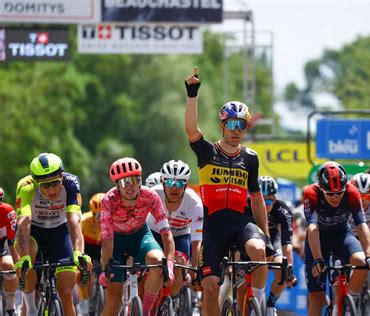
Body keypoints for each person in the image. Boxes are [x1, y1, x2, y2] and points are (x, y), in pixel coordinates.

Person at [184, 66, 272, 315]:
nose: (236, 130)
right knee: (211, 287)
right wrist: (192, 96)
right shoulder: (208, 152)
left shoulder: (251, 158)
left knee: (258, 250)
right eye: (232, 124)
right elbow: (191, 131)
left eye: (242, 125)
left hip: (241, 222)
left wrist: (265, 235)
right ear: (222, 125)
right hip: (214, 227)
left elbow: (256, 199)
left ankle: (257, 302)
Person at [15, 153, 91, 316]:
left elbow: (74, 219)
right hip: (34, 232)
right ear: (36, 182)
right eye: (45, 185)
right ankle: (30, 309)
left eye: (55, 182)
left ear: (62, 176)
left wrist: (79, 251)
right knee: (28, 257)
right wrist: (24, 257)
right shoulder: (26, 186)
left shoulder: (71, 183)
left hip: (60, 233)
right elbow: (24, 222)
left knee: (66, 293)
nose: (52, 189)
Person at [99, 157, 175, 316]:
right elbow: (107, 241)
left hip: (141, 236)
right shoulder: (108, 200)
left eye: (133, 180)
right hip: (116, 242)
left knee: (158, 264)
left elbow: (166, 233)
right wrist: (106, 269)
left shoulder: (150, 196)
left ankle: (145, 312)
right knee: (113, 301)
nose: (129, 186)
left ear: (140, 180)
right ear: (116, 186)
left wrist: (169, 264)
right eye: (123, 182)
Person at [304, 161, 370, 315]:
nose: (336, 197)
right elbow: (313, 228)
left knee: (362, 262)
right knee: (317, 298)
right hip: (318, 241)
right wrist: (317, 258)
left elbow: (361, 225)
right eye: (330, 194)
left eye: (340, 192)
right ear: (321, 188)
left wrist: (369, 255)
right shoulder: (311, 193)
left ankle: (349, 305)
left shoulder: (351, 192)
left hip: (342, 236)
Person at [146, 159, 203, 310]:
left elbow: (196, 240)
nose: (174, 188)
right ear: (163, 182)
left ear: (185, 185)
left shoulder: (195, 203)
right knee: (149, 267)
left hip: (180, 236)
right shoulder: (153, 194)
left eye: (179, 183)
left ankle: (173, 300)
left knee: (178, 264)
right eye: (170, 183)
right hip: (154, 233)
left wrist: (194, 267)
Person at [244, 176, 297, 316]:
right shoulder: (245, 205)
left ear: (275, 199)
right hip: (248, 241)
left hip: (273, 241)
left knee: (282, 270)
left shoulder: (282, 210)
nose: (265, 204)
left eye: (268, 200)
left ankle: (270, 305)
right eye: (261, 199)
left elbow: (287, 243)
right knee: (242, 282)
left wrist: (289, 269)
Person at [77, 192, 104, 313]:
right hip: (88, 245)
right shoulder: (84, 220)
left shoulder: (113, 221)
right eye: (96, 214)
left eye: (102, 215)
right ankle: (85, 299)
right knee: (84, 274)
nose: (99, 218)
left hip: (102, 245)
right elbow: (78, 239)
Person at [0, 188, 18, 316]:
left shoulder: (7, 211)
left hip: (5, 243)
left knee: (9, 266)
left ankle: (10, 307)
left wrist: (18, 266)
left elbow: (12, 243)